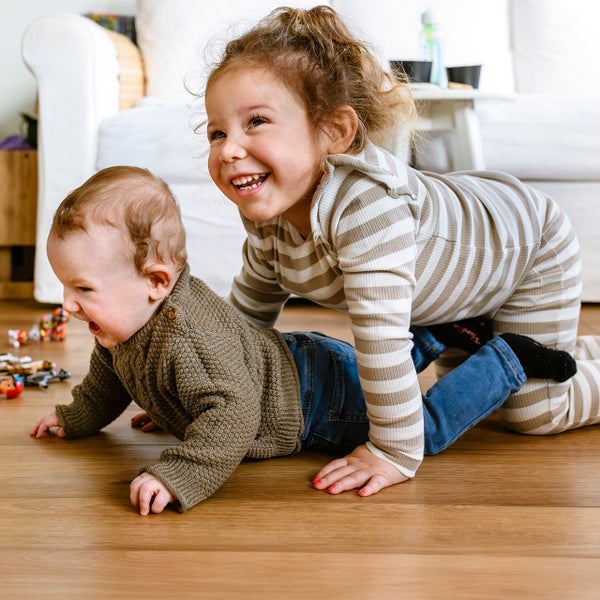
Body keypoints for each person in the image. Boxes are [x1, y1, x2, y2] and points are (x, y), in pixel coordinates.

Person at [203, 5, 600, 498]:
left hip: (525, 249)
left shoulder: (367, 212)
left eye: (255, 122)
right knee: (480, 385)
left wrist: (392, 449)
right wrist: (207, 389)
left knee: (532, 412)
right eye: (217, 132)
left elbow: (382, 340)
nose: (228, 150)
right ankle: (573, 350)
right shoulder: (268, 216)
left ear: (335, 132)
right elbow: (249, 309)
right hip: (460, 274)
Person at [29, 166, 573, 515]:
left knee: (418, 427)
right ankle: (436, 334)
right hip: (304, 364)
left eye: (82, 288)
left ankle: (507, 359)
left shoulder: (186, 342)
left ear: (155, 282)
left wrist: (180, 471)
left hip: (319, 407)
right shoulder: (125, 321)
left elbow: (233, 414)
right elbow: (109, 376)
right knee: (371, 368)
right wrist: (78, 417)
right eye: (65, 286)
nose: (68, 304)